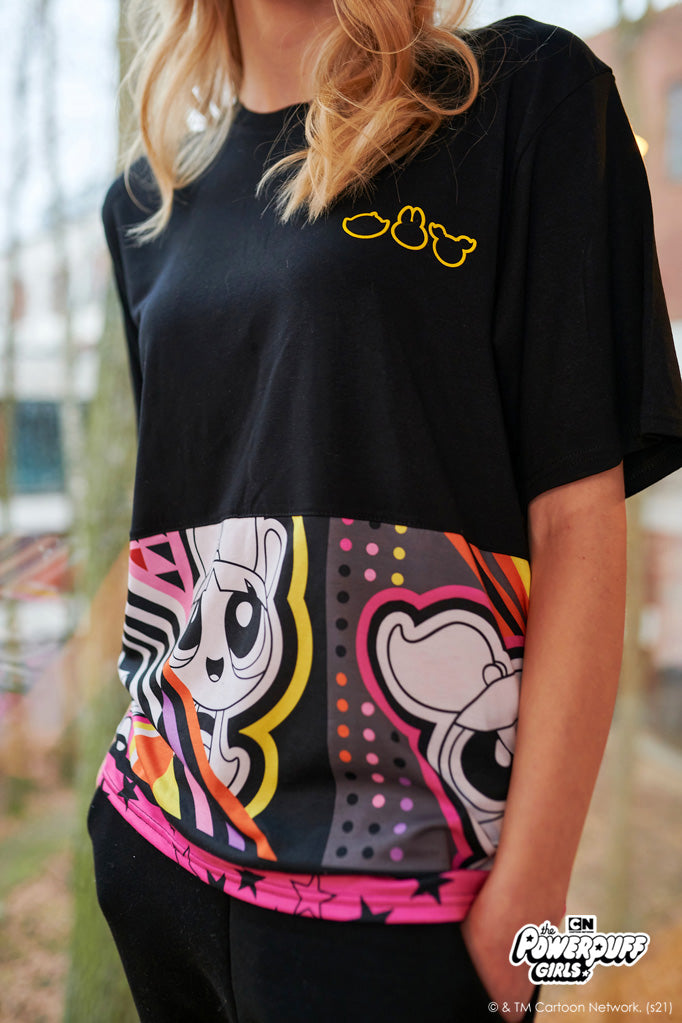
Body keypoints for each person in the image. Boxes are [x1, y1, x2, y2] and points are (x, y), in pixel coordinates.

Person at [88, 1, 682, 1021]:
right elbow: (204, 527)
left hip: (408, 892)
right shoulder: (144, 204)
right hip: (158, 844)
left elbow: (575, 522)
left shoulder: (518, 100)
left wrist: (532, 890)